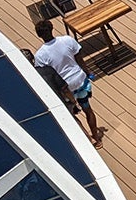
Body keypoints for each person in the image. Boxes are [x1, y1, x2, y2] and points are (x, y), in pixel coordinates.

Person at [33, 18, 106, 146]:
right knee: (87, 109)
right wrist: (88, 72)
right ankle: (96, 137)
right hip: (80, 80)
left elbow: (48, 76)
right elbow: (79, 59)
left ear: (39, 35)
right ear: (52, 28)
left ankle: (88, 140)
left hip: (65, 88)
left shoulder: (40, 56)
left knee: (72, 115)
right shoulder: (67, 40)